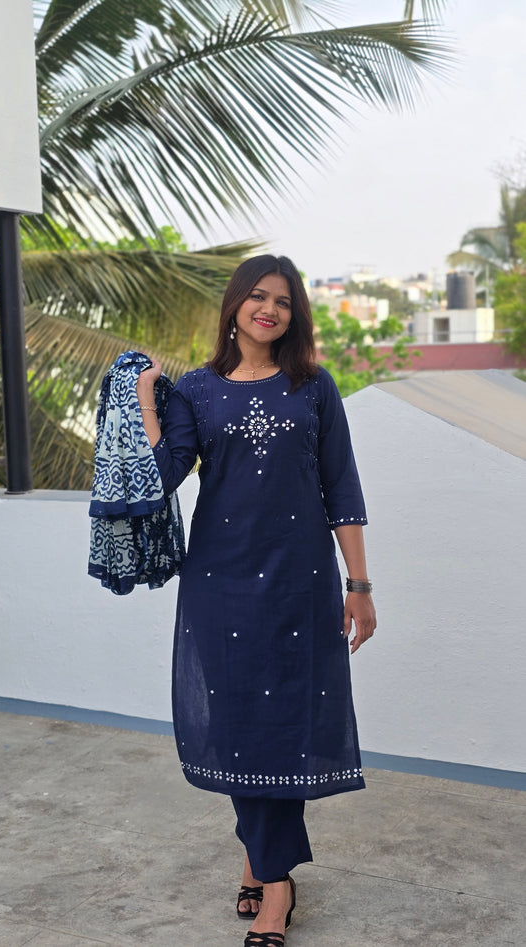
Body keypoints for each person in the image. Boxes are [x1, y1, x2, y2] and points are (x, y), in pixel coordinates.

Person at [136, 255, 376, 947]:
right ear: (235, 304)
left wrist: (358, 584)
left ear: (294, 313)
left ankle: (272, 884)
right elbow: (161, 478)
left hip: (300, 586)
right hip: (222, 585)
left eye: (282, 300)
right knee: (242, 724)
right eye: (257, 296)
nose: (268, 309)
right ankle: (272, 867)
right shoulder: (199, 391)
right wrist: (152, 400)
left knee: (285, 730)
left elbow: (344, 491)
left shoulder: (312, 386)